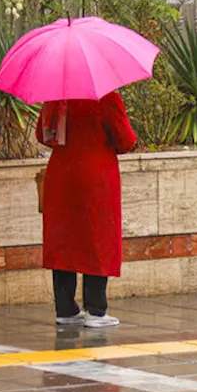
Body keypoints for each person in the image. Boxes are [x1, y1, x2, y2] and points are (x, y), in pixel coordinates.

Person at [35, 90, 137, 327]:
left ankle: (65, 309)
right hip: (96, 176)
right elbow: (125, 140)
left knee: (62, 240)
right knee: (98, 238)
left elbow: (43, 135)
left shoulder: (56, 95)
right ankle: (96, 310)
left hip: (61, 174)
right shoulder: (107, 97)